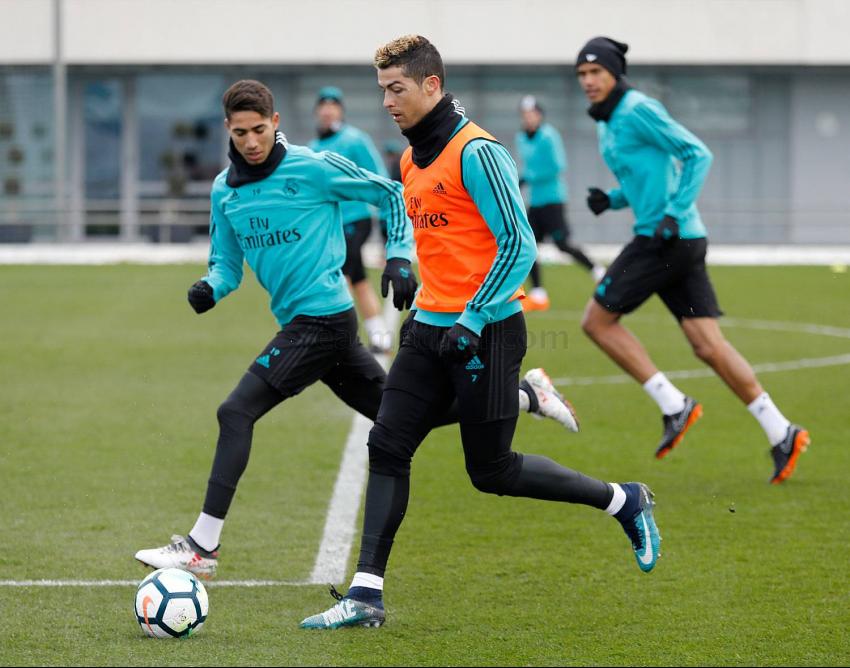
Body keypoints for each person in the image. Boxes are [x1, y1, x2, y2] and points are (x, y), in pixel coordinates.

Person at [134, 80, 579, 580]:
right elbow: (227, 264)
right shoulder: (224, 192)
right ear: (228, 131)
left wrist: (397, 256)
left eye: (260, 129)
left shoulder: (313, 167)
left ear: (275, 122)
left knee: (235, 411)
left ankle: (202, 546)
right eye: (241, 133)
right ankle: (526, 395)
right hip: (309, 325)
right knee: (403, 420)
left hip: (321, 320)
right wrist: (210, 287)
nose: (252, 141)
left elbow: (389, 193)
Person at [300, 35, 661, 631]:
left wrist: (471, 318)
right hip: (427, 330)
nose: (387, 101)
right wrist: (401, 260)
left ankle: (625, 499)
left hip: (487, 332)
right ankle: (366, 596)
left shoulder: (478, 151)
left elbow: (519, 244)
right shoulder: (411, 159)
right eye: (382, 90)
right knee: (388, 444)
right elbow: (413, 217)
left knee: (491, 472)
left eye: (398, 88)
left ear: (432, 85)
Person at [575, 37, 809, 483]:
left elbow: (697, 153)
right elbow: (650, 177)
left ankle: (674, 405)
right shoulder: (607, 121)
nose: (588, 81)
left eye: (595, 73)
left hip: (664, 240)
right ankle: (782, 431)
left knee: (596, 322)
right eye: (582, 75)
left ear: (615, 74)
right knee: (708, 345)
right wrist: (614, 199)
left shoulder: (638, 109)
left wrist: (671, 214)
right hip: (677, 238)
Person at [310, 86, 393, 353]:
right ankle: (378, 335)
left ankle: (340, 336)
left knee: (341, 274)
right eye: (322, 105)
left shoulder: (355, 139)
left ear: (341, 110)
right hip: (331, 223)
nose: (327, 110)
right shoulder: (313, 147)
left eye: (332, 105)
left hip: (356, 217)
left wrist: (385, 219)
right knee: (357, 277)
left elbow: (378, 175)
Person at [515, 94, 605, 312]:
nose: (529, 118)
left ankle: (598, 271)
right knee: (528, 246)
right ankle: (538, 294)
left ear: (540, 115)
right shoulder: (521, 138)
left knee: (562, 244)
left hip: (553, 199)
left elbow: (557, 165)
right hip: (535, 201)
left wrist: (529, 177)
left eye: (532, 114)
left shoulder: (549, 136)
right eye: (525, 114)